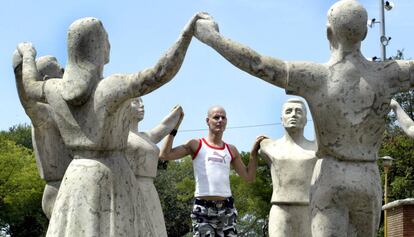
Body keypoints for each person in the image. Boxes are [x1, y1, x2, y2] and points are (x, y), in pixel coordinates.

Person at [193, 0, 414, 236]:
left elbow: (257, 64)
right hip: (368, 177)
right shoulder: (389, 74)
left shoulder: (316, 77)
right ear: (366, 33)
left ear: (329, 33)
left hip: (331, 175)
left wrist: (213, 38)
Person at [16, 13, 205, 237]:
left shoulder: (56, 89)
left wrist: (28, 55)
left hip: (76, 178)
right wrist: (187, 35)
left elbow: (29, 86)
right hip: (113, 175)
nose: (109, 44)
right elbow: (160, 72)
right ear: (97, 47)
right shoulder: (111, 87)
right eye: (106, 39)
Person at [159, 105, 266, 237]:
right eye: (216, 117)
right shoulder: (196, 144)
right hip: (203, 209)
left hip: (227, 209)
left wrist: (254, 153)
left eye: (223, 117)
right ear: (207, 121)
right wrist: (174, 127)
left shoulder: (231, 150)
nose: (220, 120)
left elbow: (249, 177)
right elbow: (164, 155)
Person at [12, 54, 71, 219]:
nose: (66, 72)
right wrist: (19, 72)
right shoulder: (45, 112)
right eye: (61, 71)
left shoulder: (63, 111)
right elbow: (28, 103)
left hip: (72, 187)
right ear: (46, 80)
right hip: (59, 190)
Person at [125, 97, 183, 237]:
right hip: (130, 187)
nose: (142, 105)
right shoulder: (119, 136)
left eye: (143, 102)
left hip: (149, 188)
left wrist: (177, 114)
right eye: (136, 102)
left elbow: (164, 126)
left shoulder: (145, 136)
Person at [259, 98, 317, 237]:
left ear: (305, 119)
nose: (293, 115)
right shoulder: (268, 147)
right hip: (280, 210)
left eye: (298, 111)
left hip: (308, 210)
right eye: (289, 111)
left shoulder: (316, 149)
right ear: (281, 118)